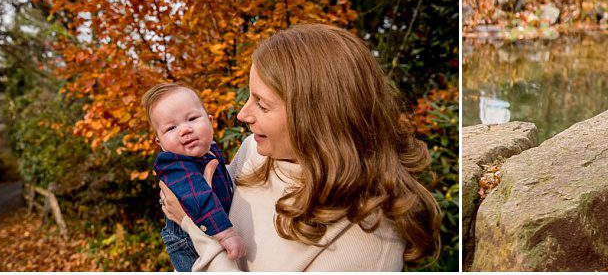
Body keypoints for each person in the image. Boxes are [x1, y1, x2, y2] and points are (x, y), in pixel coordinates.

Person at [158, 24, 440, 270]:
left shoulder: (369, 240)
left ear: (316, 118)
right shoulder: (254, 152)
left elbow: (194, 230)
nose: (242, 115)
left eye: (262, 104)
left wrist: (196, 228)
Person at [144, 83, 245, 271]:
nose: (185, 130)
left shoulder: (208, 152)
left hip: (212, 230)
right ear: (160, 142)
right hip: (188, 244)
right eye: (171, 128)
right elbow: (200, 198)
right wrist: (227, 235)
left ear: (210, 121)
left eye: (191, 119)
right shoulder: (174, 165)